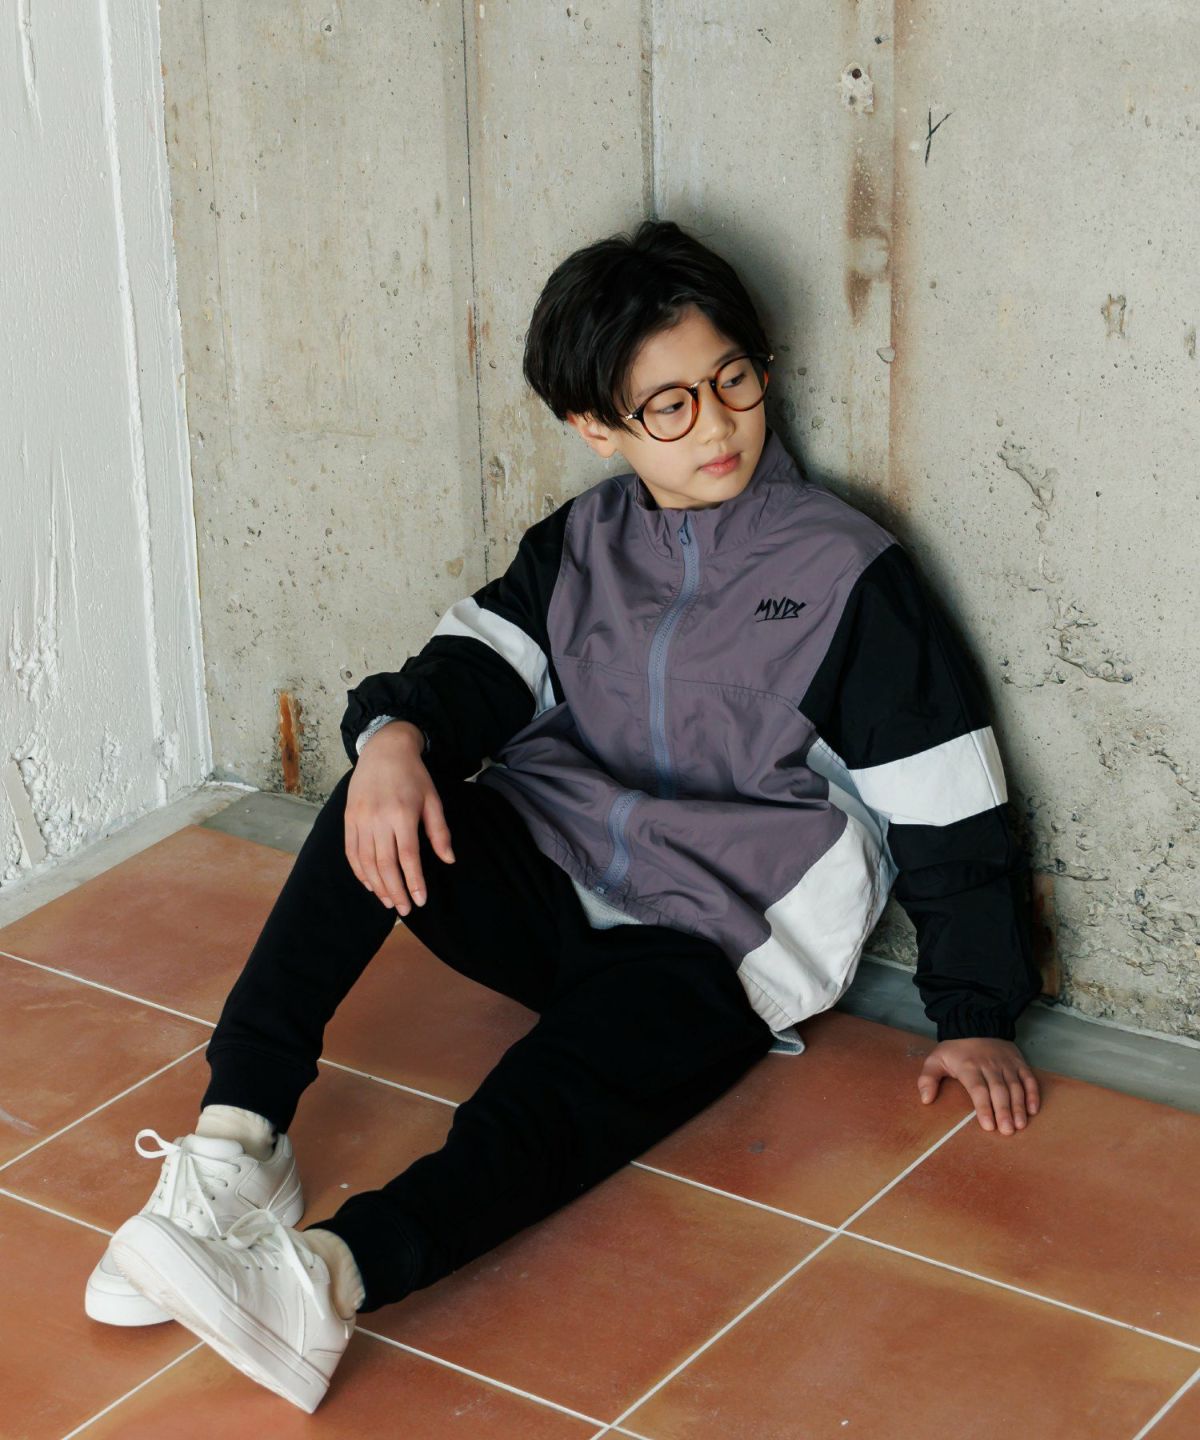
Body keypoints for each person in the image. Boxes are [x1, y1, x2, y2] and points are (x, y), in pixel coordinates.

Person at [92, 219, 1045, 1413]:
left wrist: (976, 1011)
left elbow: (951, 806)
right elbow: (466, 673)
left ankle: (325, 1281)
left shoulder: (847, 572)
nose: (718, 425)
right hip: (549, 876)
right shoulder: (583, 544)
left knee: (552, 1100)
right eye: (670, 406)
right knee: (380, 787)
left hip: (714, 943)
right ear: (598, 426)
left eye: (734, 380)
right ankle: (238, 1143)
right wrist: (390, 737)